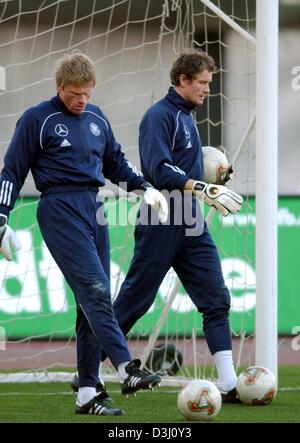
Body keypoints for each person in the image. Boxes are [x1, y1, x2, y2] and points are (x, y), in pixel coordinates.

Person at [0, 51, 169, 416]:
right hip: (59, 208)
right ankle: (127, 368)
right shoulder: (36, 119)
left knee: (90, 301)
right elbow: (11, 171)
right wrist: (1, 217)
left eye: (87, 93)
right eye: (75, 93)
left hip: (94, 208)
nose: (81, 100)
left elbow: (114, 163)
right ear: (59, 86)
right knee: (94, 290)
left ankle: (88, 393)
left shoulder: (96, 117)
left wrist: (144, 187)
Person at [95, 49, 244, 403]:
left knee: (216, 299)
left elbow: (182, 166)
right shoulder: (158, 117)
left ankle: (229, 384)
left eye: (210, 83)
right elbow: (158, 169)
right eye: (203, 83)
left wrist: (212, 174)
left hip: (190, 218)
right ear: (182, 80)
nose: (209, 89)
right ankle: (86, 374)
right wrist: (201, 186)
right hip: (162, 216)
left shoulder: (187, 119)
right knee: (134, 300)